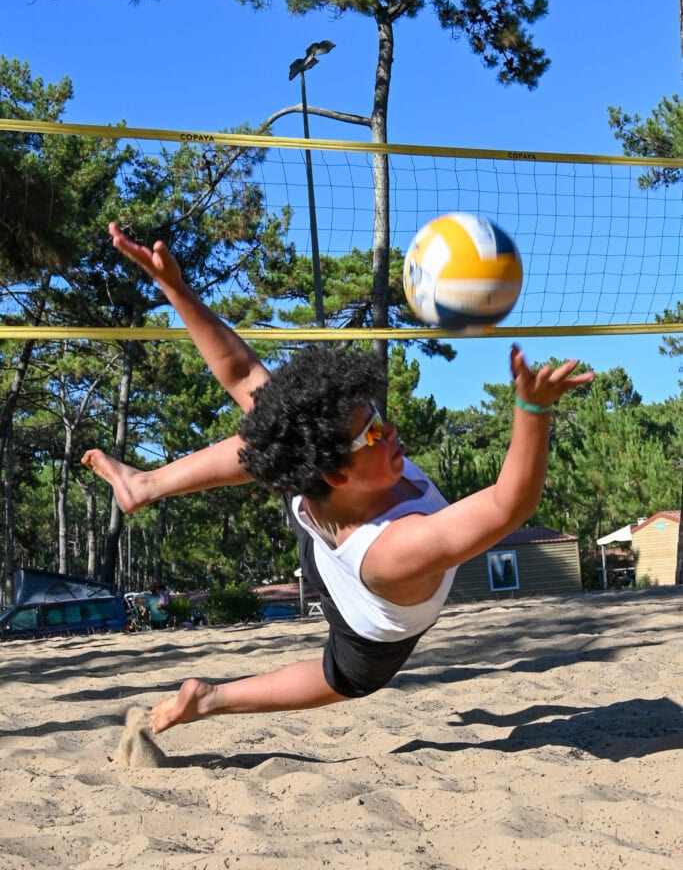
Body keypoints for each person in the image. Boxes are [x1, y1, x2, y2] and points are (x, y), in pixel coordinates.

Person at [82, 222, 595, 736]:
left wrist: (175, 286)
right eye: (371, 432)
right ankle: (211, 699)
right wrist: (531, 409)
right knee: (343, 678)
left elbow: (241, 373)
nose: (389, 429)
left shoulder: (334, 476)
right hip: (365, 621)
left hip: (336, 530)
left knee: (278, 431)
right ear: (333, 471)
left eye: (375, 415)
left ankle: (147, 487)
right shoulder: (397, 549)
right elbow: (509, 503)